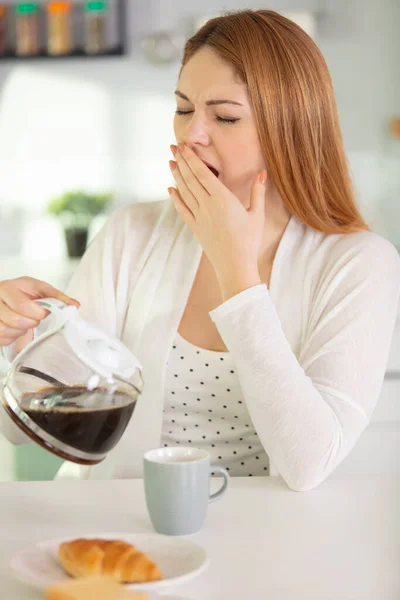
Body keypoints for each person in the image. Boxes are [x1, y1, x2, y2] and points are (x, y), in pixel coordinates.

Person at [0, 9, 399, 491]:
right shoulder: (132, 233)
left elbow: (309, 462)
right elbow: (24, 428)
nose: (191, 135)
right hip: (120, 529)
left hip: (273, 544)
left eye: (225, 116)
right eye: (184, 108)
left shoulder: (359, 264)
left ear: (290, 128)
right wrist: (16, 343)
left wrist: (236, 269)